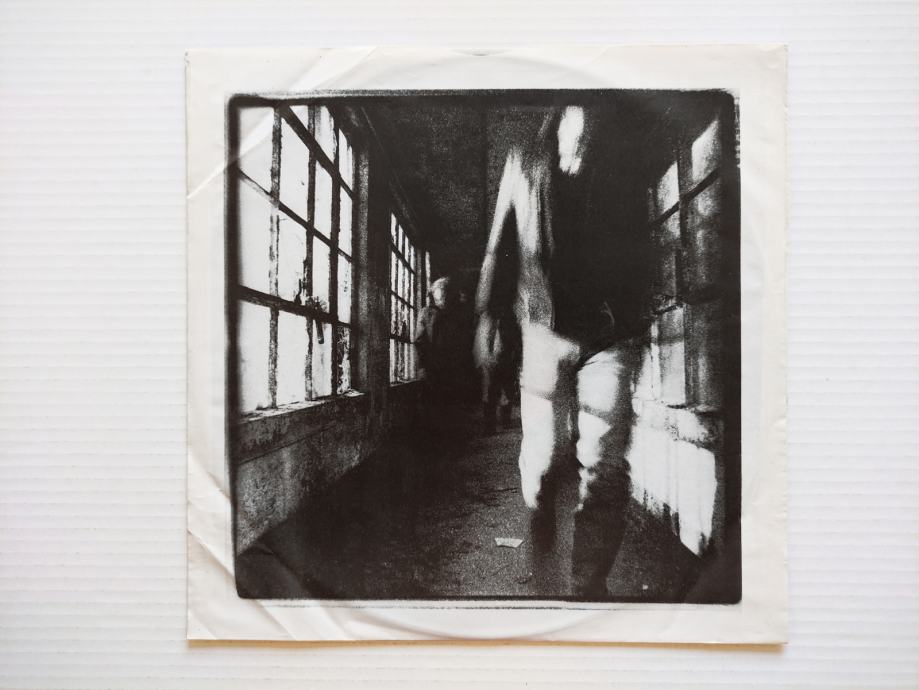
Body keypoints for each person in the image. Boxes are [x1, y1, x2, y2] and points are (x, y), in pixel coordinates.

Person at [474, 105, 651, 598]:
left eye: (593, 120)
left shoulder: (622, 161)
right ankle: (539, 508)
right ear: (558, 118)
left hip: (608, 335)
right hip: (543, 330)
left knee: (605, 463)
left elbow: (642, 242)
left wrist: (639, 319)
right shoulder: (523, 160)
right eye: (576, 119)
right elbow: (499, 243)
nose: (584, 132)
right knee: (545, 457)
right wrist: (487, 316)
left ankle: (588, 585)